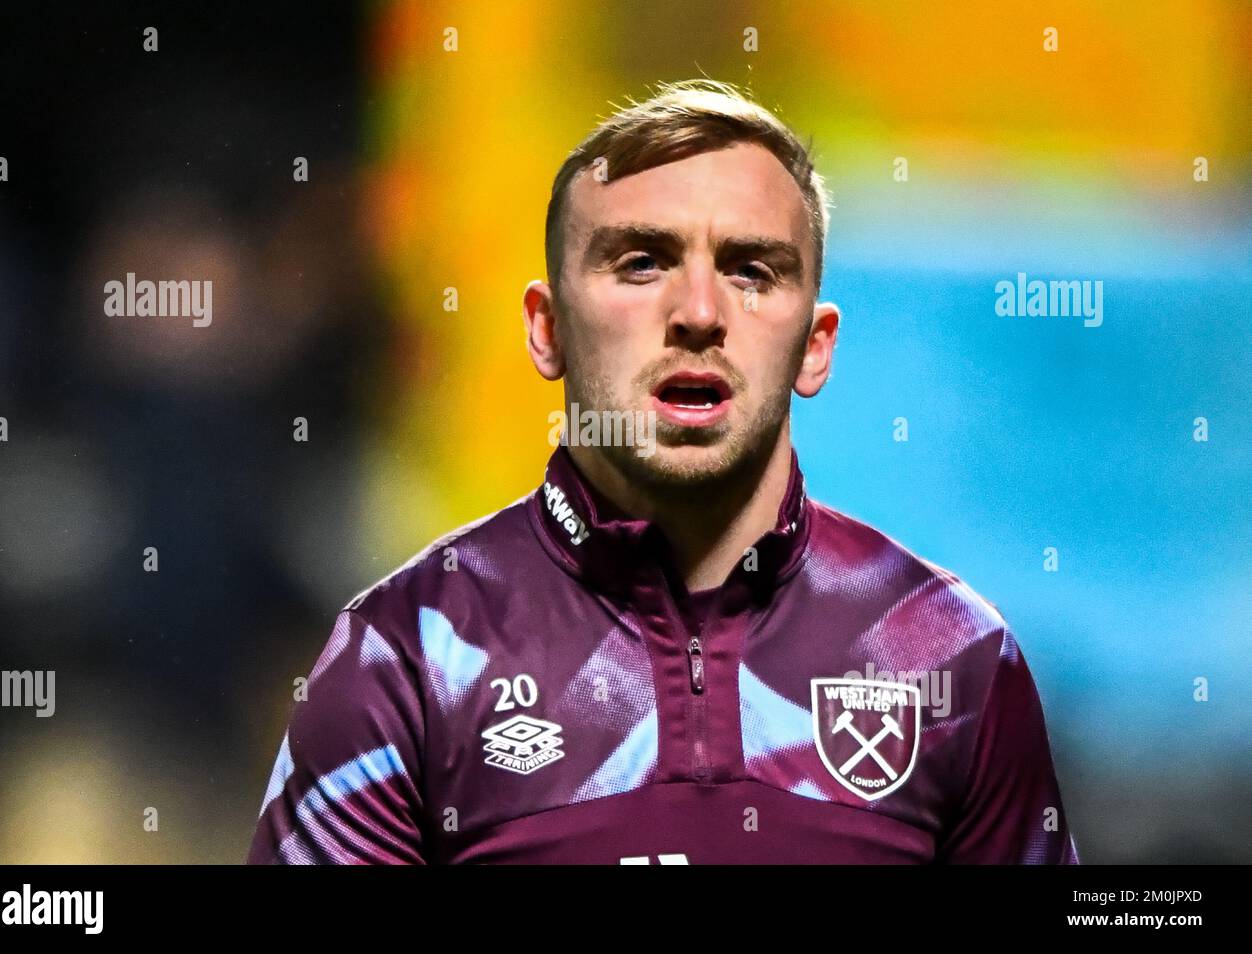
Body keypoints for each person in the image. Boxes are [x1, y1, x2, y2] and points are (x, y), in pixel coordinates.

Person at [249, 79, 1078, 864]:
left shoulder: (951, 655)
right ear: (547, 330)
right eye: (642, 263)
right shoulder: (407, 660)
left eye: (752, 270)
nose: (700, 315)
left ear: (816, 346)